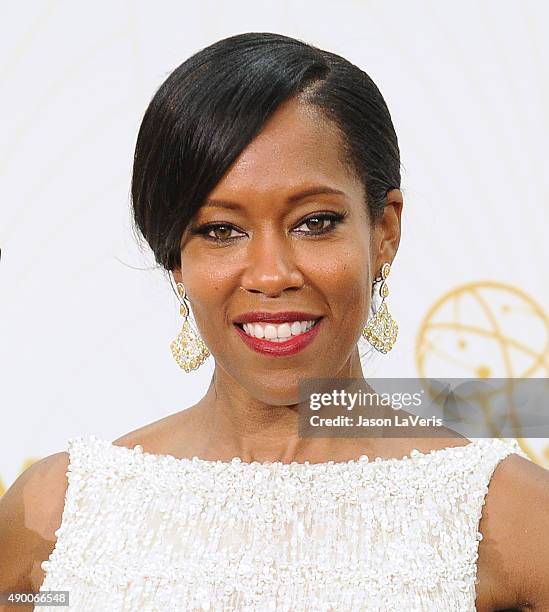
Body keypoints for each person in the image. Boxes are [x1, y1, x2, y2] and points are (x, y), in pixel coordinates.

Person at [1, 32, 548, 612]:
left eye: (314, 222)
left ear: (384, 229)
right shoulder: (60, 512)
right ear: (175, 259)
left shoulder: (507, 517)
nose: (271, 274)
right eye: (220, 230)